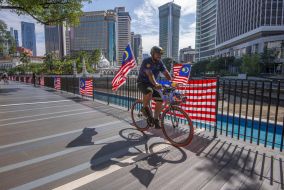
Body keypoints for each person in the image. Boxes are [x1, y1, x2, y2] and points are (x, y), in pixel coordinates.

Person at [137, 46, 172, 129]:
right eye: (157, 54)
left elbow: (166, 73)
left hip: (152, 84)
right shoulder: (147, 61)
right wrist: (156, 83)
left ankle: (155, 120)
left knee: (160, 99)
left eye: (160, 54)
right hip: (143, 82)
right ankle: (144, 108)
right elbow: (150, 74)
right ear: (152, 54)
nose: (159, 56)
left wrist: (172, 81)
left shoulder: (160, 63)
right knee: (149, 91)